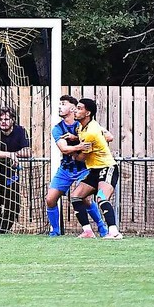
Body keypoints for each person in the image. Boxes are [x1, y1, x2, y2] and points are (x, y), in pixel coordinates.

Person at [45, 95, 111, 237]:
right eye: (59, 104)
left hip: (84, 168)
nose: (59, 107)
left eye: (63, 104)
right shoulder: (58, 129)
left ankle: (101, 227)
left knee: (85, 198)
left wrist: (78, 138)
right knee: (50, 199)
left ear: (73, 108)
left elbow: (108, 136)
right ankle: (55, 231)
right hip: (66, 169)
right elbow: (64, 149)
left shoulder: (84, 125)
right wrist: (80, 146)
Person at [70, 98, 123, 239]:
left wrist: (71, 152)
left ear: (87, 113)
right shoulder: (82, 127)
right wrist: (75, 138)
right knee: (76, 196)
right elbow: (108, 136)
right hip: (94, 170)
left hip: (107, 167)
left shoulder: (91, 132)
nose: (75, 110)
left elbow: (82, 157)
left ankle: (114, 232)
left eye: (79, 108)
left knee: (101, 197)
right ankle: (88, 232)